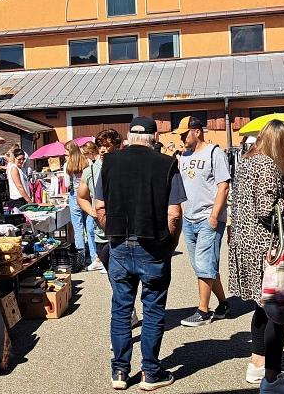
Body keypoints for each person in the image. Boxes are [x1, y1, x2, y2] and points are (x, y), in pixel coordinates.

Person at [94, 116, 185, 391]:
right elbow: (174, 214)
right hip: (154, 243)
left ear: (128, 137)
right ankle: (150, 373)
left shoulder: (109, 162)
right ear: (154, 137)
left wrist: (113, 232)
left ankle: (120, 373)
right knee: (154, 309)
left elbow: (99, 207)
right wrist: (171, 243)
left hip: (120, 243)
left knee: (121, 309)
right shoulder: (167, 164)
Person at [227, 120, 284, 393]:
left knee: (264, 308)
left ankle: (259, 367)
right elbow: (266, 209)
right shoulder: (265, 164)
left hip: (249, 244)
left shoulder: (248, 159)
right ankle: (272, 380)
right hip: (267, 247)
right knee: (278, 312)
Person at [172, 115, 231, 327]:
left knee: (205, 263)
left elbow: (223, 187)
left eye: (184, 134)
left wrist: (214, 216)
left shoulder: (215, 153)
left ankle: (203, 311)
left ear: (197, 132)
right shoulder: (184, 156)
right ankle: (223, 303)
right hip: (190, 218)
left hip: (209, 217)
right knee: (201, 265)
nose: (182, 139)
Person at [77, 129, 123, 273]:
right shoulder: (89, 172)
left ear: (117, 146)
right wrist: (91, 210)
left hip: (124, 232)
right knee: (112, 275)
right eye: (100, 146)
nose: (103, 150)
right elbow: (81, 198)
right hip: (101, 233)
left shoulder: (125, 168)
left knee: (123, 278)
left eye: (107, 146)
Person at [65, 140, 91, 267]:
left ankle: (81, 258)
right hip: (88, 195)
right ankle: (94, 256)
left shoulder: (68, 164)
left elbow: (66, 184)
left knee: (78, 227)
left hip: (75, 194)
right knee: (90, 227)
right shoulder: (87, 162)